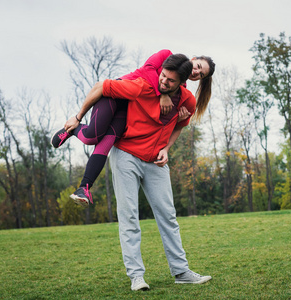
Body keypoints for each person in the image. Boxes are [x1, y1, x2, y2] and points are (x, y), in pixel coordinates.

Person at [66, 53, 212, 291]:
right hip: (126, 156)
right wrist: (78, 116)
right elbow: (102, 86)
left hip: (156, 162)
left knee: (168, 218)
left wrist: (166, 148)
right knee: (129, 217)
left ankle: (182, 272)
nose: (164, 81)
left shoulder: (187, 102)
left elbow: (180, 126)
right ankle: (136, 277)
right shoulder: (141, 86)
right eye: (163, 77)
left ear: (183, 82)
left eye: (170, 81)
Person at [51, 49, 215, 206]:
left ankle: (84, 188)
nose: (196, 73)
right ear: (194, 59)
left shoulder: (180, 91)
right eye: (198, 67)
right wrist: (77, 117)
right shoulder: (166, 59)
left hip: (129, 108)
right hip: (117, 93)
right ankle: (73, 128)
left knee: (107, 141)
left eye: (201, 75)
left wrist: (175, 117)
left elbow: (166, 119)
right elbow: (148, 69)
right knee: (91, 137)